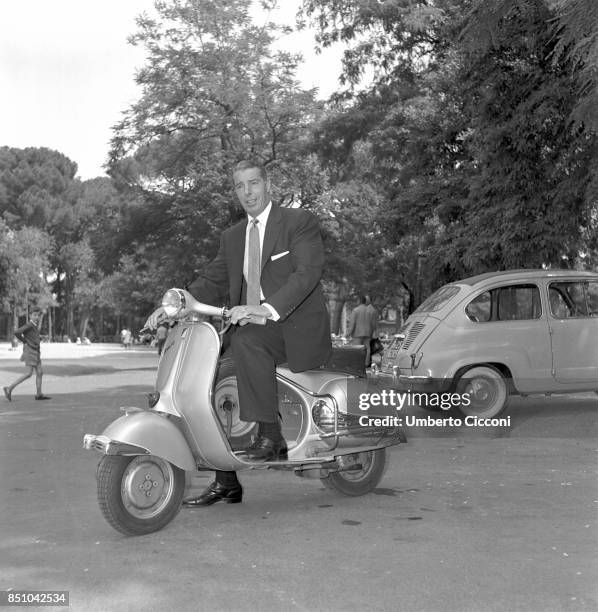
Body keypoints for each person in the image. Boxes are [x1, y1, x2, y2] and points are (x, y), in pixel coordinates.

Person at [145, 158, 331, 507]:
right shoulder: (232, 237)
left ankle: (271, 434)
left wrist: (265, 308)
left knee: (246, 339)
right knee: (202, 376)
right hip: (251, 332)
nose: (247, 192)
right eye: (240, 186)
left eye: (253, 183)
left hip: (291, 328)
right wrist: (174, 304)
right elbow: (211, 282)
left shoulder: (297, 222)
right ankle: (226, 478)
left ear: (267, 184)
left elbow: (307, 273)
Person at [3, 309, 51, 401]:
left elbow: (32, 336)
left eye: (38, 315)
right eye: (35, 315)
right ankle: (9, 388)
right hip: (30, 351)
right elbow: (17, 332)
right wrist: (25, 341)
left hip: (36, 352)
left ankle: (39, 394)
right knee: (29, 373)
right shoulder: (29, 325)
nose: (36, 317)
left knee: (40, 372)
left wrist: (41, 337)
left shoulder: (34, 325)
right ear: (30, 316)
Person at [348, 294, 377, 367]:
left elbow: (352, 323)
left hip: (357, 333)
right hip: (368, 333)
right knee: (367, 348)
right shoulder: (370, 311)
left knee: (356, 348)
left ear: (359, 301)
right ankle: (366, 363)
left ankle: (357, 363)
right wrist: (373, 331)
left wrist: (349, 333)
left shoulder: (355, 310)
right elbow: (373, 323)